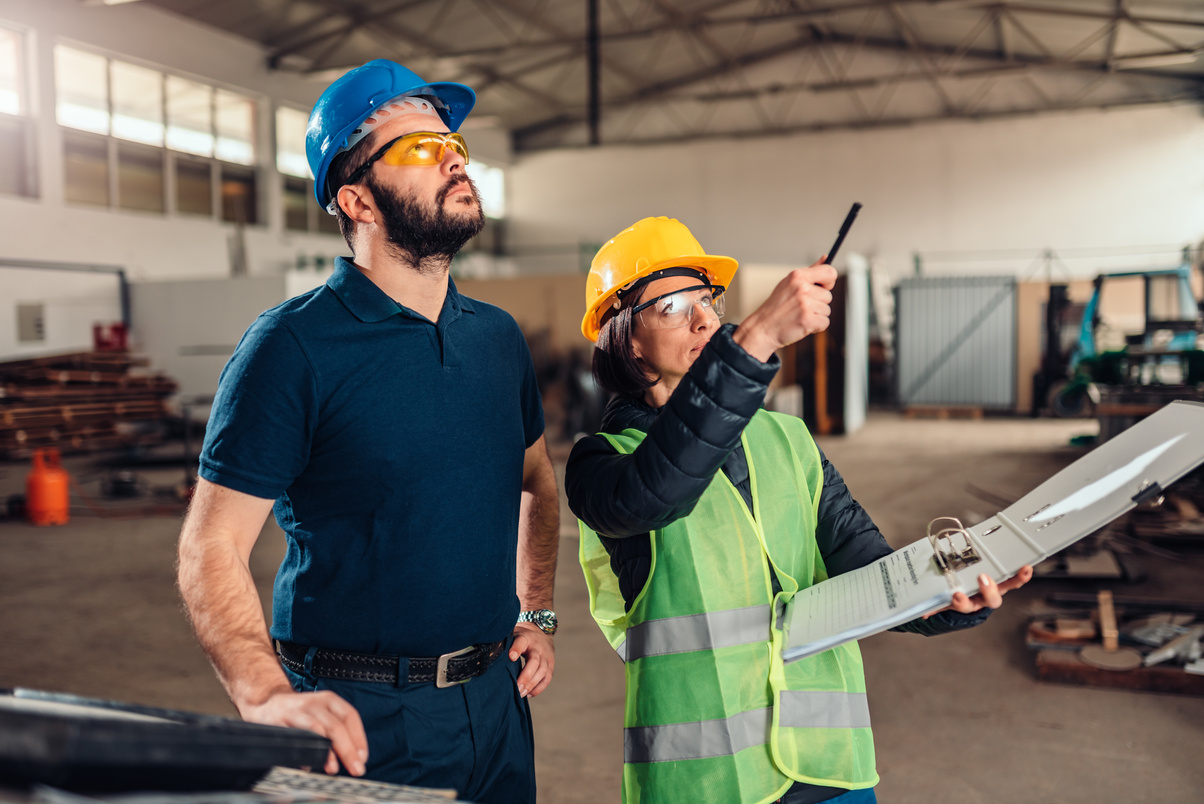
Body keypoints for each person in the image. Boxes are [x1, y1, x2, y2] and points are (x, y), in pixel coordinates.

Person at [177, 59, 560, 804]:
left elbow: (537, 482)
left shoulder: (497, 339)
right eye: (419, 148)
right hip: (362, 722)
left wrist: (536, 611)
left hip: (498, 703)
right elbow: (211, 545)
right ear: (358, 199)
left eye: (453, 144)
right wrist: (261, 693)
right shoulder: (291, 348)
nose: (452, 155)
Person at [566, 217, 1033, 804]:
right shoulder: (603, 462)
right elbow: (658, 491)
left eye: (707, 299)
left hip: (828, 766)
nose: (704, 318)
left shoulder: (788, 439)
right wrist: (754, 339)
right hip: (707, 783)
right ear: (627, 339)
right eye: (674, 305)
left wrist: (950, 597)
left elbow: (868, 572)